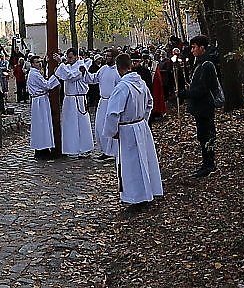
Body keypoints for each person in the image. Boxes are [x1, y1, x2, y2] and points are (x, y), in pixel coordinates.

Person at [102, 53, 163, 210]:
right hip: (140, 127)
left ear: (118, 68)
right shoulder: (141, 83)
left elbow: (112, 113)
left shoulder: (122, 87)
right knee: (143, 161)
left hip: (127, 129)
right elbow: (150, 103)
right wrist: (143, 119)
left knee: (130, 165)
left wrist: (113, 131)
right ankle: (146, 192)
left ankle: (136, 197)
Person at [178, 35, 220, 178]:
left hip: (205, 106)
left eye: (194, 47)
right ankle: (206, 163)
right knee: (202, 135)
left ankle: (209, 164)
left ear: (202, 48)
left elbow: (202, 89)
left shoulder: (207, 65)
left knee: (207, 135)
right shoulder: (199, 63)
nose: (192, 50)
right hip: (200, 107)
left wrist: (187, 94)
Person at [52, 48, 94, 157]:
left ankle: (84, 148)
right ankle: (71, 148)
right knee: (70, 124)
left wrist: (60, 63)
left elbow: (70, 76)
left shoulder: (81, 66)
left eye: (71, 57)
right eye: (67, 58)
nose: (69, 60)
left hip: (78, 99)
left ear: (76, 56)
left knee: (82, 124)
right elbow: (60, 73)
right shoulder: (69, 66)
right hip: (69, 99)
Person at [84, 47, 121, 161]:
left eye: (109, 56)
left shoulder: (117, 71)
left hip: (112, 102)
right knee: (100, 127)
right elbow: (93, 79)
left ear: (115, 57)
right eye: (106, 55)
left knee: (111, 127)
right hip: (103, 101)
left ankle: (113, 152)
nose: (106, 58)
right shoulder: (103, 69)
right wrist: (84, 72)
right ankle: (104, 150)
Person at [27, 55, 61, 159]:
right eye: (37, 62)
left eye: (40, 61)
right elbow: (47, 85)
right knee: (42, 124)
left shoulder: (36, 73)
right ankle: (42, 148)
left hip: (41, 100)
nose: (39, 64)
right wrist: (56, 75)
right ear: (32, 64)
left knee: (43, 124)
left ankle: (43, 147)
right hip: (39, 101)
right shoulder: (34, 74)